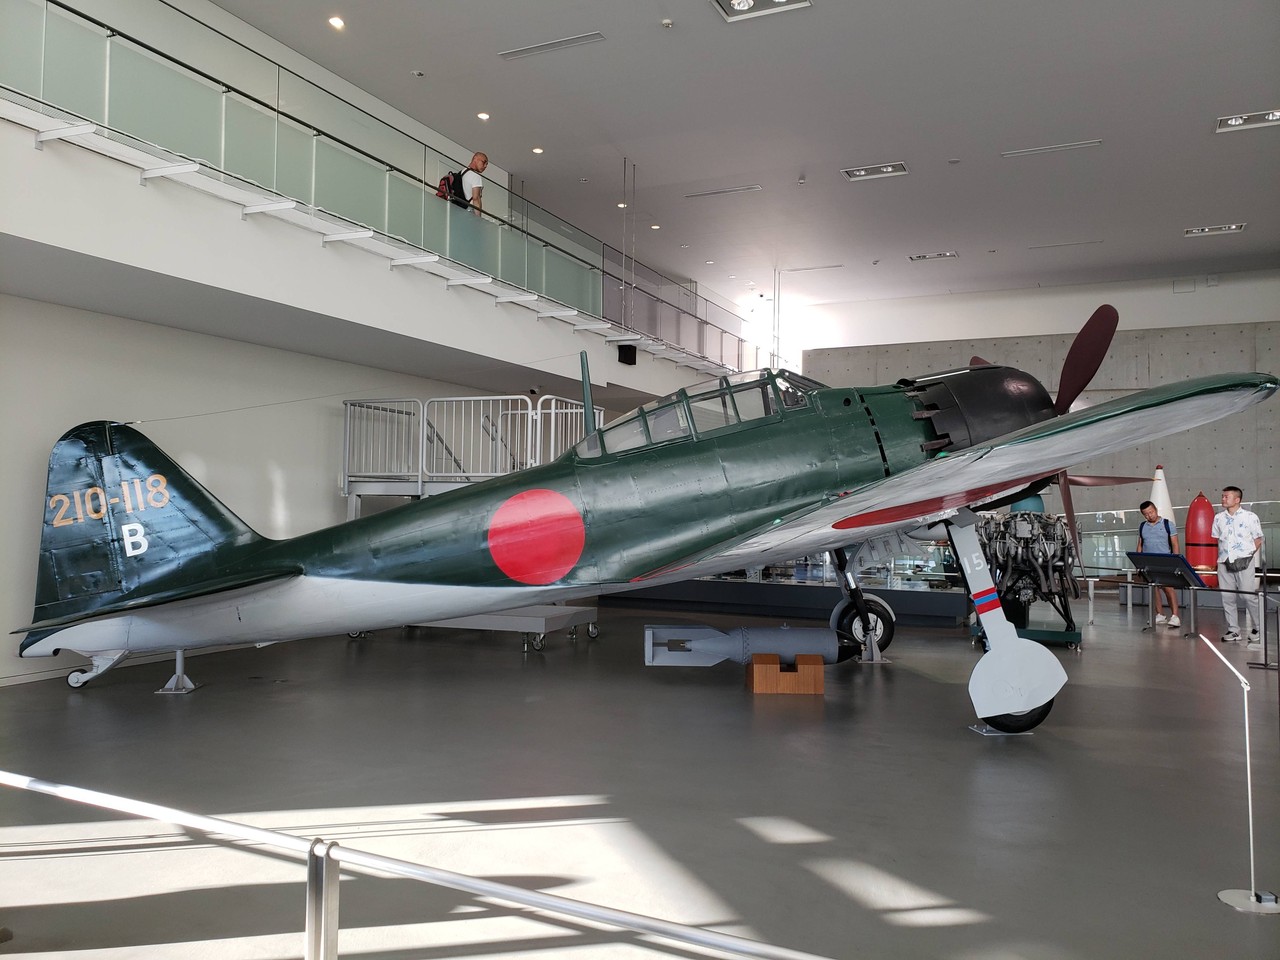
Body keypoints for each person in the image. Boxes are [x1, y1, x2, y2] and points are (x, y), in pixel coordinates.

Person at [1212, 485, 1263, 644]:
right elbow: (1217, 540)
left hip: (1244, 561)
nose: (1223, 499)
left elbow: (1258, 539)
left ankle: (1259, 627)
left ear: (1237, 499)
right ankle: (1233, 630)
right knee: (1227, 597)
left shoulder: (1250, 517)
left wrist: (1248, 556)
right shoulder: (1218, 518)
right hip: (1224, 562)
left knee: (1247, 595)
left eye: (1226, 496)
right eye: (1222, 496)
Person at [1136, 500, 1180, 627]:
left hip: (1165, 561)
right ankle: (1160, 614)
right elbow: (1140, 545)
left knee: (1168, 588)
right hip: (1149, 562)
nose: (1149, 515)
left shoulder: (1168, 524)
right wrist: (1138, 563)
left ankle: (1175, 616)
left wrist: (1176, 562)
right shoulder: (1142, 526)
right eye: (1146, 514)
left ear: (1155, 510)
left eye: (1151, 512)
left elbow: (1175, 544)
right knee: (1154, 588)